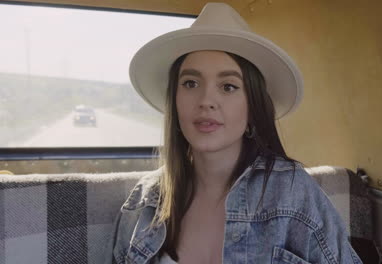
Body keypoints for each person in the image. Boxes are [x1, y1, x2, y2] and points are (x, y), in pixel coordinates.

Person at [108, 3, 362, 264]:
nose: (206, 100)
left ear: (252, 107)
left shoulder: (292, 191)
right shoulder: (144, 200)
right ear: (174, 100)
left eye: (228, 86)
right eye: (190, 83)